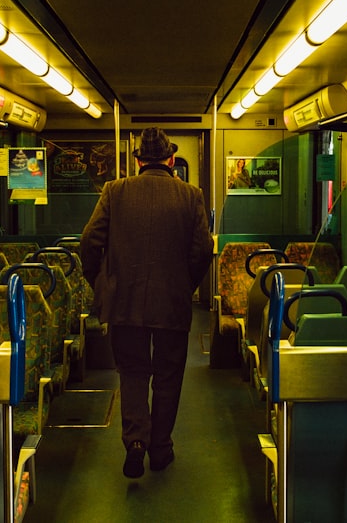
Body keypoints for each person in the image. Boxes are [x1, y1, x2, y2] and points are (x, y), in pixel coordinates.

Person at [80, 127, 214, 479]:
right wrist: (186, 285)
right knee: (168, 376)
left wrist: (101, 282)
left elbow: (89, 242)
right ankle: (161, 447)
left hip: (124, 301)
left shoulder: (114, 191)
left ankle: (135, 442)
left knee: (133, 373)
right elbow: (202, 250)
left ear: (137, 160)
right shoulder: (191, 195)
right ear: (171, 160)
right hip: (172, 303)